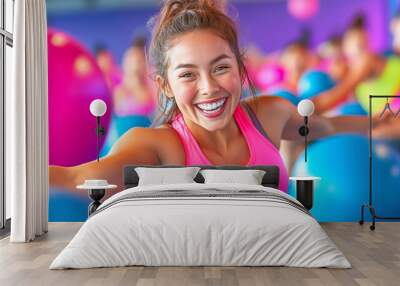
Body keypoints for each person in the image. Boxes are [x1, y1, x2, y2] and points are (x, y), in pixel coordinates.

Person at [49, 0, 380, 194]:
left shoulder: (269, 114)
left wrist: (379, 119)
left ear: (239, 66)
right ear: (165, 86)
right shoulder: (158, 146)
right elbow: (77, 176)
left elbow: (326, 127)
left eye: (220, 68)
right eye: (188, 74)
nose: (209, 87)